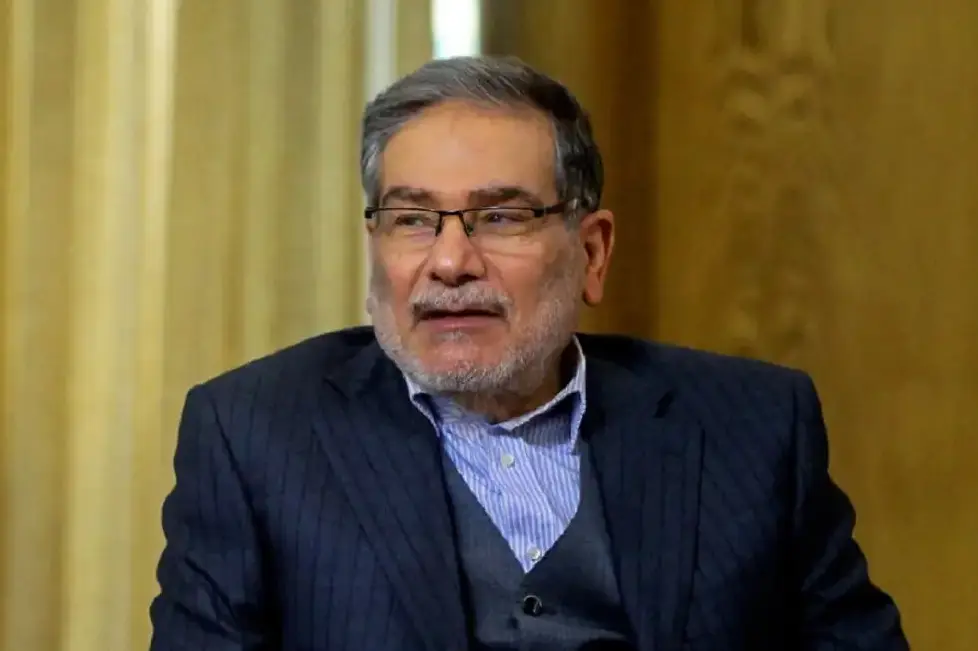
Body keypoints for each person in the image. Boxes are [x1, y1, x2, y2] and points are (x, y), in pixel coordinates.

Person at [149, 55, 908, 651]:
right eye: (412, 219)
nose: (450, 262)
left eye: (501, 217)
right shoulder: (252, 434)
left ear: (592, 252)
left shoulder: (754, 427)